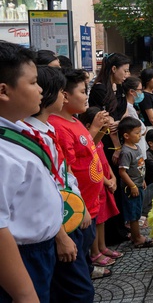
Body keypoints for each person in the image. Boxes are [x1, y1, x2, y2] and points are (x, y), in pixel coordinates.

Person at [22, 66, 96, 300]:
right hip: (56, 228)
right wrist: (61, 235)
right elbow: (41, 195)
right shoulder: (26, 137)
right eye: (62, 91)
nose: (65, 97)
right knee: (77, 292)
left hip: (71, 217)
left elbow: (65, 175)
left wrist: (80, 206)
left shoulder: (48, 130)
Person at [0, 43, 65, 302]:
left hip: (39, 251)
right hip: (19, 257)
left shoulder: (17, 131)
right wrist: (25, 294)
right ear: (4, 91)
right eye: (34, 83)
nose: (41, 90)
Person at [49, 69, 111, 280]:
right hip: (78, 210)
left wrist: (98, 128)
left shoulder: (74, 121)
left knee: (83, 257)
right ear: (65, 96)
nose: (87, 96)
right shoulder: (59, 127)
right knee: (76, 272)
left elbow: (88, 149)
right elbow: (65, 174)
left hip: (89, 206)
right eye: (83, 91)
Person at [78, 107, 121, 273]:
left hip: (104, 179)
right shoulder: (88, 140)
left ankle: (102, 247)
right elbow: (91, 162)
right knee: (96, 218)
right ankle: (95, 252)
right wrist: (106, 181)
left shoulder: (99, 139)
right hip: (98, 181)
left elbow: (104, 162)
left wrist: (113, 177)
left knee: (102, 217)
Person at [117, 116, 153, 248]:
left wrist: (143, 180)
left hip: (139, 184)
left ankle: (136, 235)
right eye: (137, 133)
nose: (140, 135)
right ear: (126, 135)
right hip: (131, 189)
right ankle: (137, 238)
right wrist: (132, 185)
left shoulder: (136, 147)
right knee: (133, 214)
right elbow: (122, 172)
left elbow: (139, 167)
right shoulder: (126, 152)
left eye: (140, 132)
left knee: (137, 212)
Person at [122, 76, 148, 154]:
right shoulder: (127, 108)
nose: (141, 93)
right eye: (140, 90)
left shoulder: (132, 107)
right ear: (132, 92)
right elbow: (141, 129)